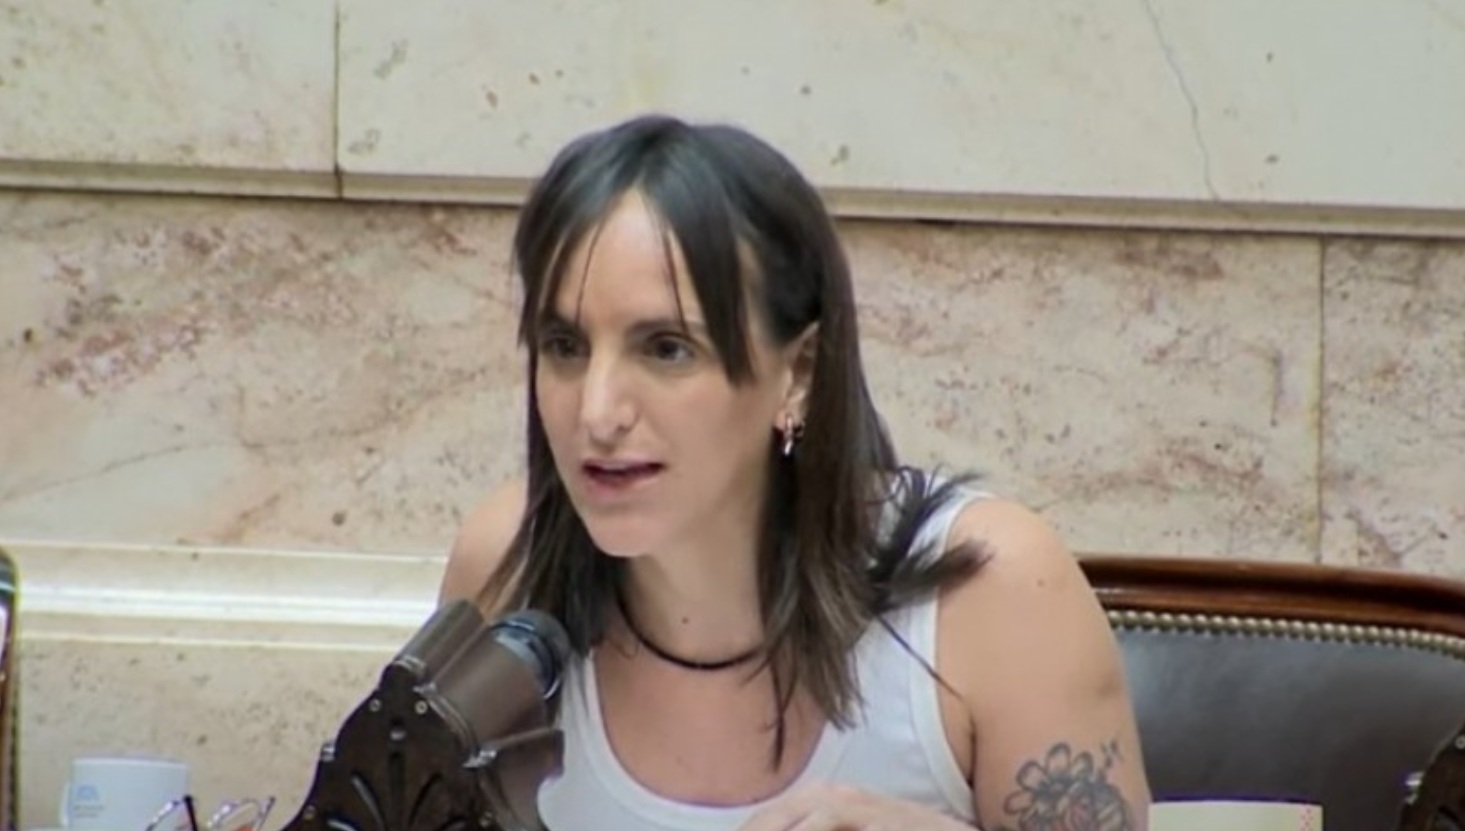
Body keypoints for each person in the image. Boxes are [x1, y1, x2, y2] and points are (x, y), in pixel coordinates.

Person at [438, 113, 1152, 831]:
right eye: (565, 346)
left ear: (800, 371)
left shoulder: (992, 591)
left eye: (666, 348)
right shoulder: (506, 569)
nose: (597, 412)